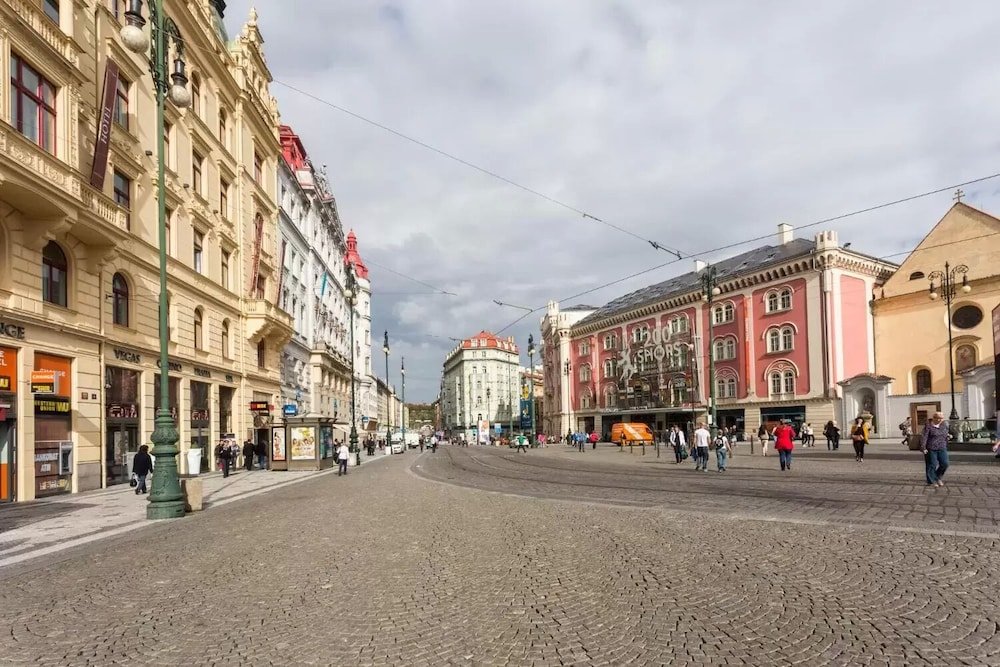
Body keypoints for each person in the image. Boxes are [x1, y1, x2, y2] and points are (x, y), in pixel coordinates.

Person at [921, 411, 950, 487]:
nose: (940, 420)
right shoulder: (928, 425)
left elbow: (945, 434)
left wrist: (948, 436)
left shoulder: (944, 425)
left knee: (945, 464)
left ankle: (937, 477)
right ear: (934, 418)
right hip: (931, 448)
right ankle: (931, 481)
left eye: (941, 418)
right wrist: (923, 447)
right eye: (938, 418)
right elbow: (924, 437)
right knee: (932, 464)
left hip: (942, 447)